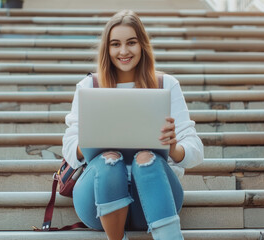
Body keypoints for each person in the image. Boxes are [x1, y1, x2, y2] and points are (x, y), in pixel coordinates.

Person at [62, 9, 204, 240]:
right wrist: (89, 138)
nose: (124, 51)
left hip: (152, 196)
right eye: (115, 44)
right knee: (109, 160)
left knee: (146, 158)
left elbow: (196, 150)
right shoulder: (89, 85)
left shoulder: (167, 84)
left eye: (131, 43)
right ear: (107, 49)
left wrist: (174, 147)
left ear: (142, 46)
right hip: (97, 197)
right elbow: (69, 147)